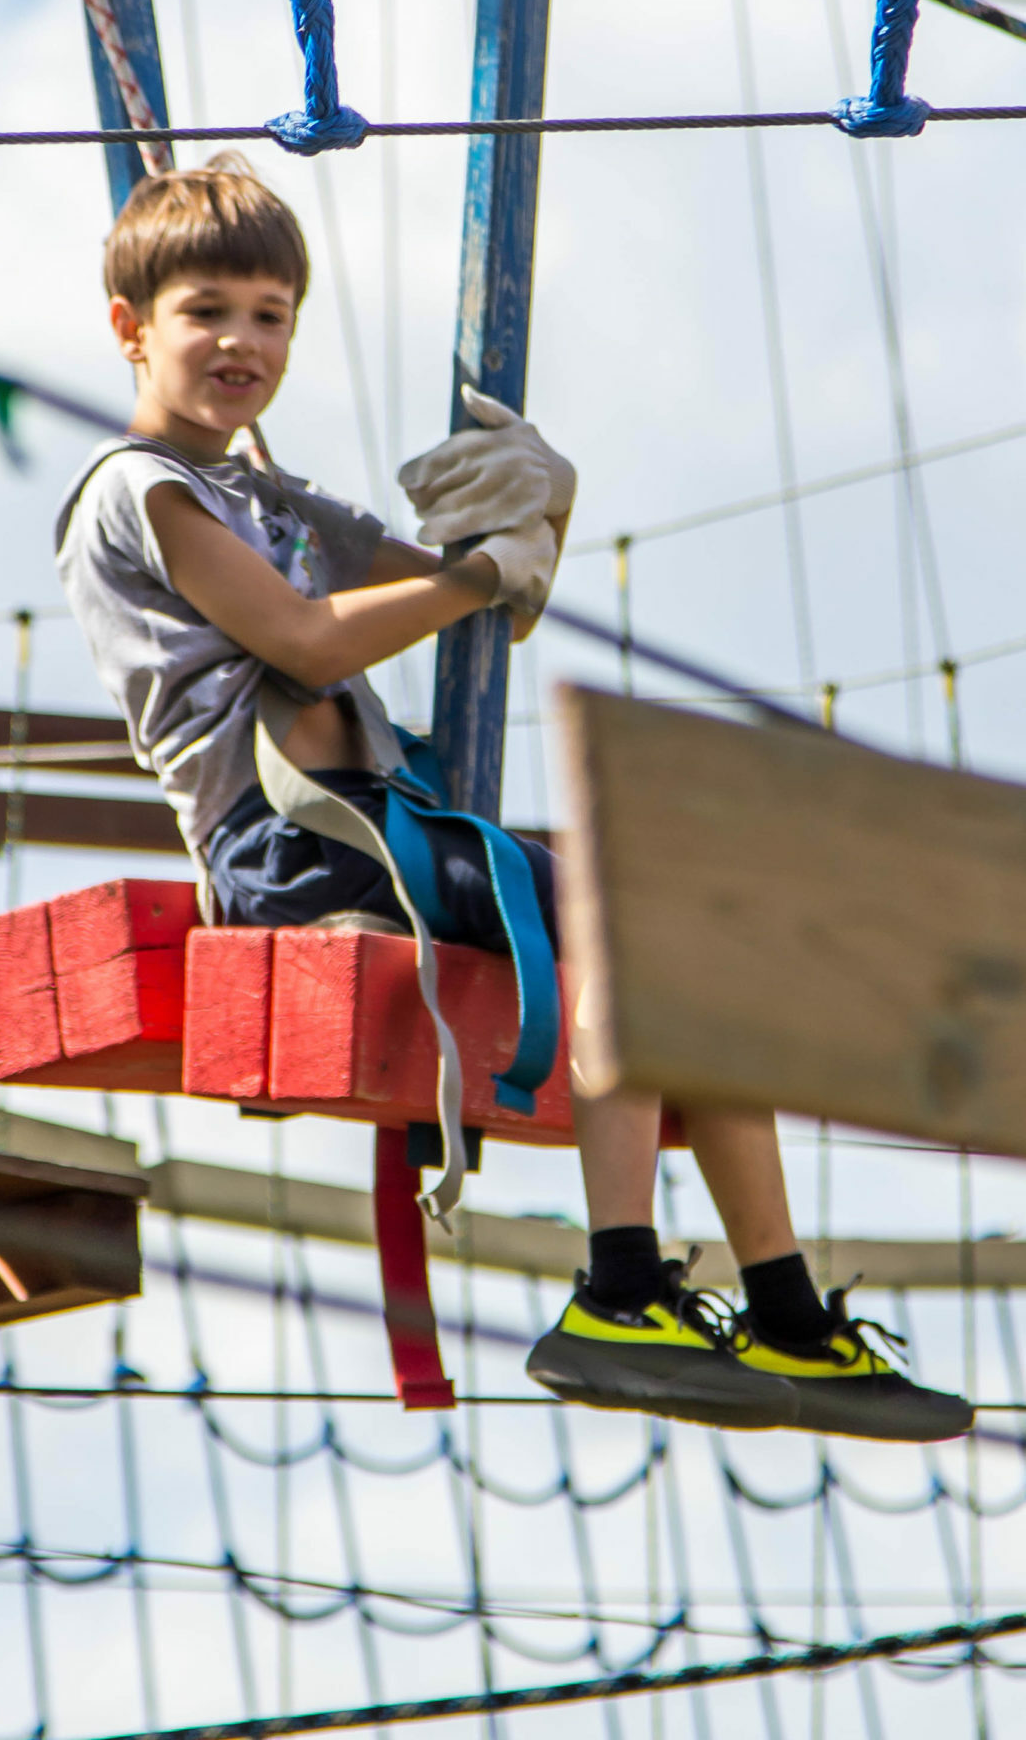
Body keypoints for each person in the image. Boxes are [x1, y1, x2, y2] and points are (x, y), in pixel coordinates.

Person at [56, 153, 970, 1443]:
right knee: (639, 927)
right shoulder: (138, 493)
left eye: (270, 316)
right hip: (297, 843)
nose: (242, 343)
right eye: (207, 310)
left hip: (382, 829)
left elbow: (409, 567)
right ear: (130, 327)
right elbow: (311, 640)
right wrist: (486, 576)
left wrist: (520, 512)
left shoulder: (262, 493)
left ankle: (786, 1312)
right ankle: (620, 1287)